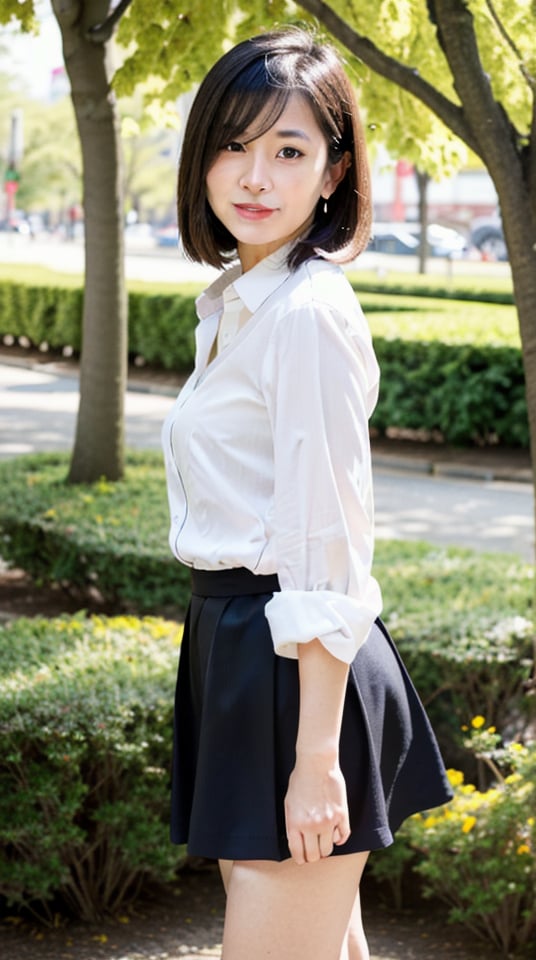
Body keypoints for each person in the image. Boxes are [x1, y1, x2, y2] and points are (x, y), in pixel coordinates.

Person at [162, 26, 452, 960]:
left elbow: (328, 544)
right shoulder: (238, 304)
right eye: (234, 144)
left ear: (333, 174)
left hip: (296, 669)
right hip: (239, 653)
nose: (256, 175)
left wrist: (317, 758)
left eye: (289, 151)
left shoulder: (307, 316)